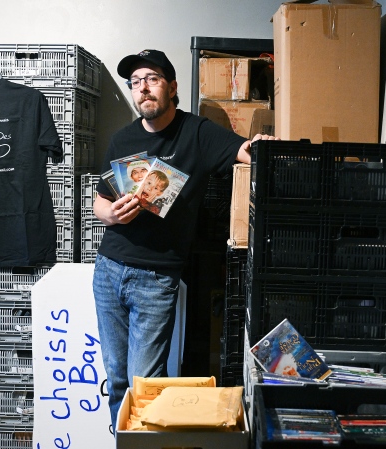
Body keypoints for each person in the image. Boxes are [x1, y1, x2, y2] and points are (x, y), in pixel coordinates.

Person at [92, 49, 277, 425]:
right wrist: (108, 214)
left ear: (172, 86)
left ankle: (145, 440)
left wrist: (260, 145)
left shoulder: (197, 133)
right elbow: (99, 200)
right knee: (114, 379)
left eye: (153, 79)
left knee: (144, 384)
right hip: (108, 270)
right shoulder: (122, 139)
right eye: (136, 82)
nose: (143, 88)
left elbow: (241, 150)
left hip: (156, 277)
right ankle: (122, 439)